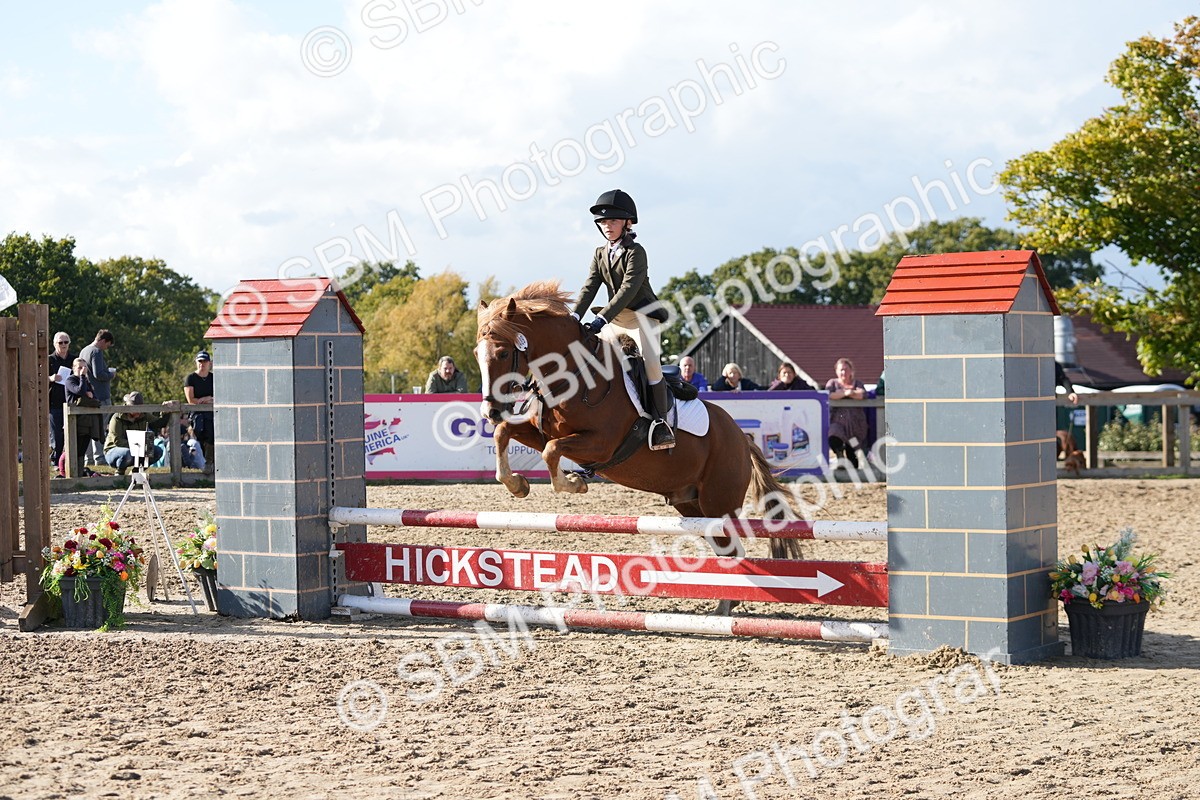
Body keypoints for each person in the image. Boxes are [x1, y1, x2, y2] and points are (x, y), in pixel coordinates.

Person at [573, 189, 674, 450]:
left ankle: (661, 425)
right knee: (591, 359)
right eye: (603, 222)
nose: (607, 226)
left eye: (613, 221)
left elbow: (627, 290)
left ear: (627, 223)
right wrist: (574, 315)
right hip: (615, 317)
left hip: (642, 317)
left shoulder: (636, 252)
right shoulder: (599, 253)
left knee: (651, 366)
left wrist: (601, 318)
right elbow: (590, 287)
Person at [103, 391, 179, 475]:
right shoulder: (117, 418)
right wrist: (139, 447)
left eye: (139, 408)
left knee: (157, 451)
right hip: (113, 450)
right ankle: (120, 472)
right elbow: (118, 441)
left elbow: (159, 423)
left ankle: (137, 473)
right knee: (127, 453)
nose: (138, 412)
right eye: (135, 409)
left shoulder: (144, 415)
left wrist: (165, 411)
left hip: (137, 448)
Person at [77, 329, 116, 466]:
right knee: (100, 428)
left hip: (89, 395)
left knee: (88, 428)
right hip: (100, 396)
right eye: (107, 345)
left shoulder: (84, 351)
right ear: (103, 341)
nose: (106, 348)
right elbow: (98, 374)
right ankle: (99, 458)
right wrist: (111, 374)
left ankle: (88, 459)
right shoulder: (96, 352)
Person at [61, 358, 104, 477]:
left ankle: (79, 475)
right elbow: (79, 391)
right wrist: (82, 377)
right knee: (72, 450)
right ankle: (67, 473)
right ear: (73, 368)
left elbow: (94, 398)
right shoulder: (70, 380)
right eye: (80, 367)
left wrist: (88, 391)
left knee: (82, 450)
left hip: (87, 422)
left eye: (84, 367)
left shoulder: (86, 381)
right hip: (74, 421)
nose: (83, 370)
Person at [825, 357, 869, 467]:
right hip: (837, 421)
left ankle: (852, 465)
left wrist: (849, 393)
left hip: (855, 424)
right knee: (833, 435)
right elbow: (829, 395)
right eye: (841, 370)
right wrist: (846, 393)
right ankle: (840, 457)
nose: (843, 372)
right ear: (836, 371)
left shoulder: (858, 383)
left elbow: (862, 395)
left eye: (846, 369)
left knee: (853, 455)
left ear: (851, 371)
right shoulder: (832, 383)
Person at [47, 331, 74, 469]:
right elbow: (37, 377)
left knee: (71, 433)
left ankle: (69, 461)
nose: (63, 345)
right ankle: (55, 461)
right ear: (54, 344)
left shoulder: (74, 360)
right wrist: (51, 378)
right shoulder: (49, 360)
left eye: (66, 342)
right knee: (56, 434)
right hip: (54, 402)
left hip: (70, 401)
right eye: (60, 342)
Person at [185, 350, 215, 474]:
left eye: (205, 361)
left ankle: (209, 463)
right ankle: (205, 462)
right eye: (200, 361)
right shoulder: (191, 378)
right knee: (200, 433)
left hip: (212, 413)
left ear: (209, 363)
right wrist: (206, 400)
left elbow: (218, 397)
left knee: (211, 434)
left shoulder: (213, 378)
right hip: (196, 414)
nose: (202, 364)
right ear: (196, 363)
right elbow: (191, 400)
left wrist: (207, 399)